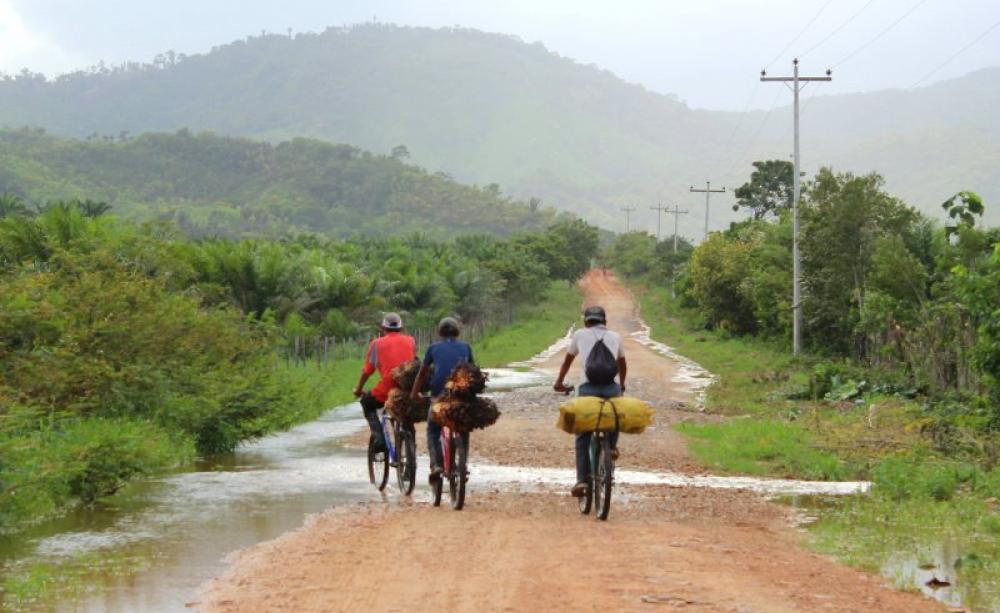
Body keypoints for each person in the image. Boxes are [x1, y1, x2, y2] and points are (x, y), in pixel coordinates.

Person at [553, 305, 627, 498]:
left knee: (582, 436)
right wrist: (622, 385)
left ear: (587, 321)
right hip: (611, 388)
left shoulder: (579, 335)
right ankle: (610, 447)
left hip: (588, 389)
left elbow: (567, 361)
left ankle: (582, 481)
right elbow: (622, 364)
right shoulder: (615, 337)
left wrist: (559, 381)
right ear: (604, 321)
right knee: (615, 415)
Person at [411, 316, 474, 482]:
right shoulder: (466, 347)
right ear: (457, 332)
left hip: (439, 398)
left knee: (433, 429)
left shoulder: (433, 348)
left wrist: (414, 394)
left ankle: (437, 465)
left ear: (439, 332)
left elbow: (422, 373)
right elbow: (473, 372)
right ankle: (463, 465)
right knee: (463, 429)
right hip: (460, 398)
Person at [353, 313, 416, 453]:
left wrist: (358, 389)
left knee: (367, 403)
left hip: (388, 389)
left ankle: (379, 439)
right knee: (408, 417)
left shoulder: (376, 344)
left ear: (383, 328)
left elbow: (367, 371)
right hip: (409, 388)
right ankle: (411, 449)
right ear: (401, 327)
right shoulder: (411, 341)